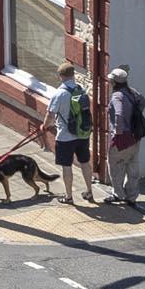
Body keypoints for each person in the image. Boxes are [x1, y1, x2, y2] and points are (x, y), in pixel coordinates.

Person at [45, 63, 98, 205]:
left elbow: (50, 115)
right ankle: (89, 192)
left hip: (65, 137)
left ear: (60, 76)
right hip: (82, 134)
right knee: (85, 163)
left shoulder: (59, 94)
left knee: (67, 166)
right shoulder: (81, 90)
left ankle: (69, 196)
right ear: (73, 75)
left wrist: (44, 126)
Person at [104, 66, 145, 206]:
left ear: (114, 82)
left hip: (122, 139)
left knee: (115, 166)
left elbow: (119, 114)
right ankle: (132, 196)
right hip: (135, 136)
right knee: (132, 166)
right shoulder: (132, 92)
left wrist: (118, 132)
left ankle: (118, 194)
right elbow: (143, 101)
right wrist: (135, 116)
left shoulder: (117, 96)